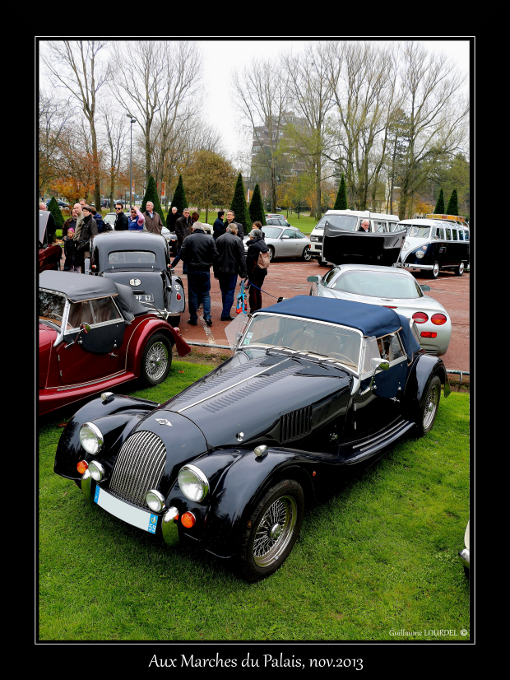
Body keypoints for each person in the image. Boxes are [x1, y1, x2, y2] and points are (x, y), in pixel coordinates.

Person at [180, 219, 218, 326]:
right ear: (203, 229)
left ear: (193, 229)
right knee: (205, 294)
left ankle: (193, 317)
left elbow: (182, 254)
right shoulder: (209, 239)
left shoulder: (188, 239)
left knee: (193, 294)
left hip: (192, 269)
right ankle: (207, 316)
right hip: (205, 269)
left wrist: (189, 261)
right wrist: (209, 262)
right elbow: (215, 255)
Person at [214, 223, 247, 321]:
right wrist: (243, 273)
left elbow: (215, 256)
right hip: (232, 269)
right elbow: (241, 257)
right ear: (236, 231)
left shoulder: (219, 239)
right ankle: (225, 313)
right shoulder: (237, 240)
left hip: (221, 269)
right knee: (230, 291)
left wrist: (216, 271)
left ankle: (225, 311)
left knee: (224, 291)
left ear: (227, 229)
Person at [246, 223, 269, 314]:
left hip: (255, 271)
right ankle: (258, 307)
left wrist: (246, 272)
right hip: (263, 270)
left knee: (253, 291)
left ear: (253, 236)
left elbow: (249, 260)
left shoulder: (253, 246)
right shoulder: (263, 244)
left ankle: (253, 309)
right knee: (258, 289)